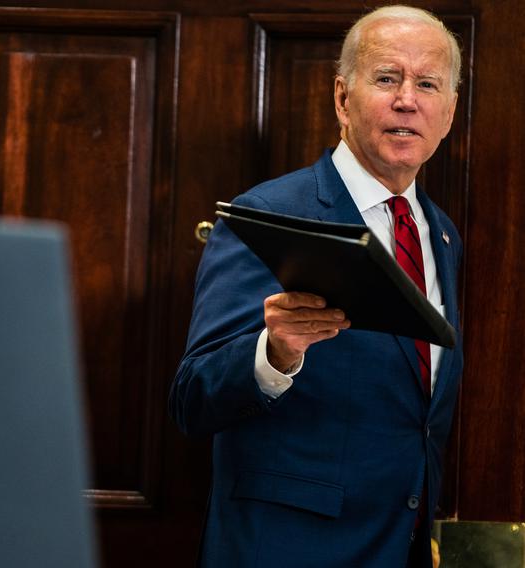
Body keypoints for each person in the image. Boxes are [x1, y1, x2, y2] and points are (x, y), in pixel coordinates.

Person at [169, 6, 462, 567]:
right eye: (386, 78)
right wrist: (274, 353)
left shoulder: (441, 233)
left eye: (427, 83)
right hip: (285, 549)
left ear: (448, 113)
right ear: (341, 98)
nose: (408, 99)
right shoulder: (269, 215)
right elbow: (192, 399)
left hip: (398, 547)